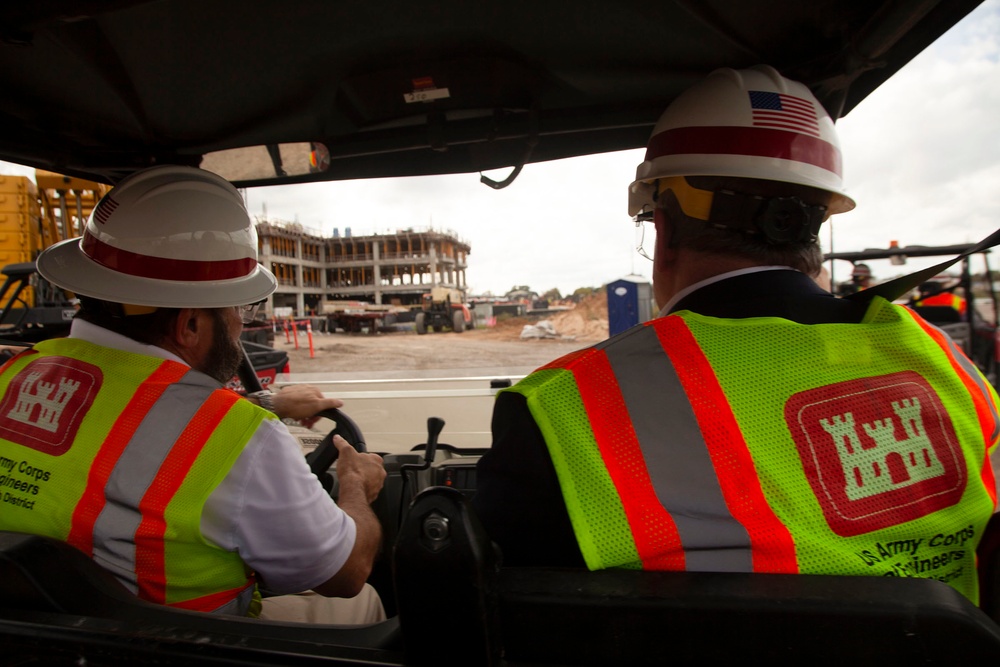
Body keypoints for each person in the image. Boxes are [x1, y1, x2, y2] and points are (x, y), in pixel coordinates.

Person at [473, 65, 1000, 604]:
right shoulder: (944, 364)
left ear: (666, 229)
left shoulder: (564, 410)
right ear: (815, 229)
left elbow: (498, 610)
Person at [0, 165, 386, 623]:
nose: (242, 323)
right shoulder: (241, 440)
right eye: (237, 307)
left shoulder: (16, 372)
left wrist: (269, 402)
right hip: (183, 646)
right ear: (190, 325)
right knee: (367, 603)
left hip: (39, 631)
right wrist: (356, 489)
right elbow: (345, 572)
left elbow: (125, 423)